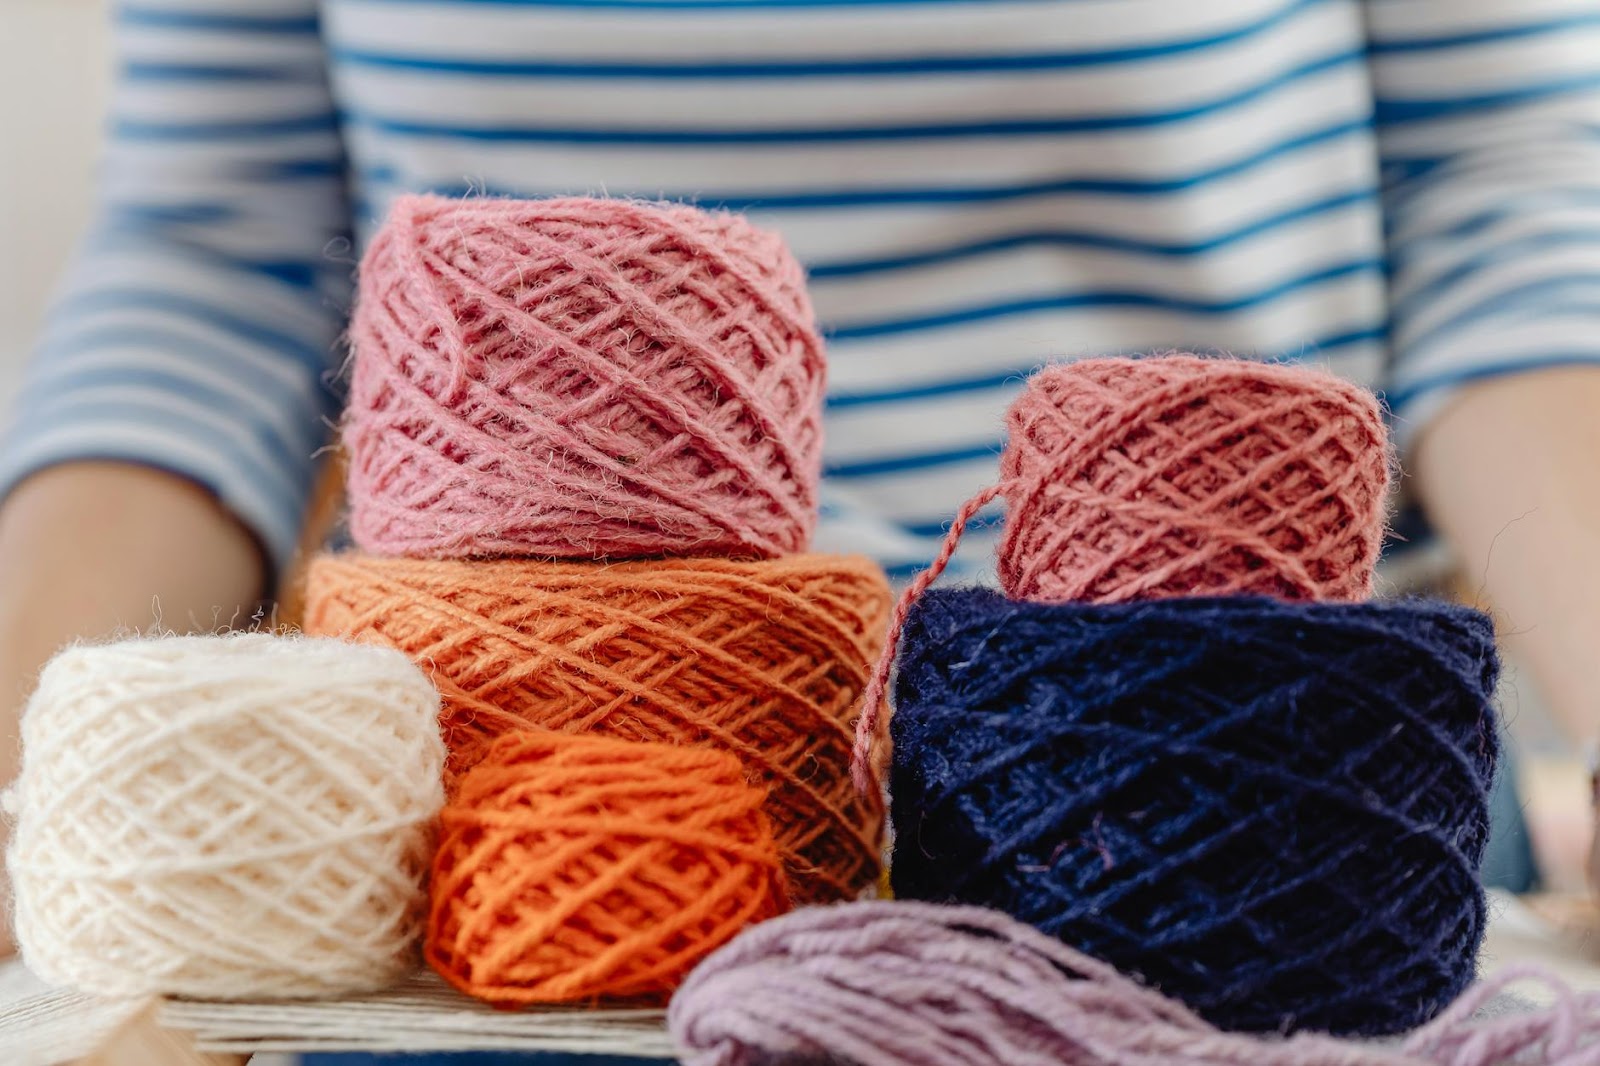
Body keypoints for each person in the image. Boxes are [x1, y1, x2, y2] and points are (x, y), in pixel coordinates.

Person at [2, 0, 1597, 1058]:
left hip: (1246, 789)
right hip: (506, 864)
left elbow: (1505, 201)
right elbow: (219, 251)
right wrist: (31, 778)